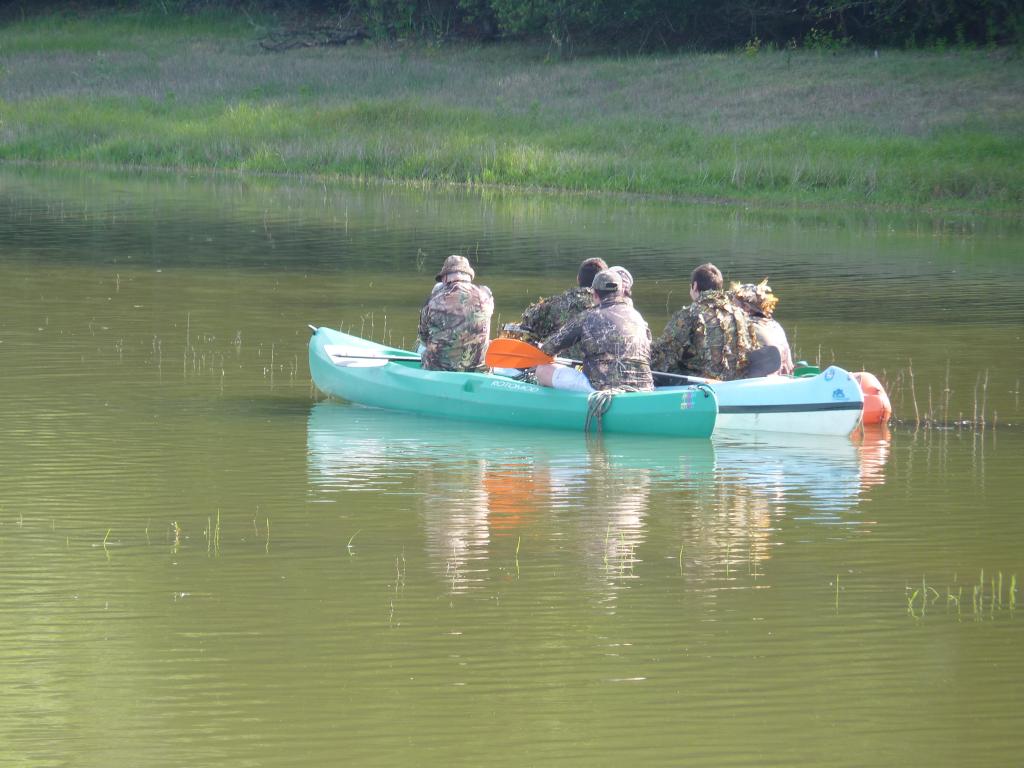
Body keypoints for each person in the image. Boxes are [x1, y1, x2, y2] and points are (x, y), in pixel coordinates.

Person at [537, 269, 654, 392]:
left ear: (595, 294)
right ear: (621, 292)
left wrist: (546, 354)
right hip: (645, 387)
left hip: (602, 389)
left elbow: (548, 348)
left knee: (542, 370)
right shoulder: (638, 317)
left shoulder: (587, 316)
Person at [651, 262, 755, 381]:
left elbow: (664, 351)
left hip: (704, 382)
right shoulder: (740, 314)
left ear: (694, 286)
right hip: (736, 378)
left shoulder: (689, 314)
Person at [418, 254, 494, 372]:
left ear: (445, 278)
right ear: (469, 276)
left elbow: (423, 338)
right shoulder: (486, 297)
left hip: (438, 370)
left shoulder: (433, 300)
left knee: (422, 348)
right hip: (478, 370)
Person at [517, 257, 608, 344]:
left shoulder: (557, 303)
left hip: (561, 359)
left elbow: (528, 319)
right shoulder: (614, 308)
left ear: (578, 279)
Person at [730, 280, 794, 375]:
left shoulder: (747, 327)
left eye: (734, 304)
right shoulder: (775, 325)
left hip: (765, 384)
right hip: (785, 378)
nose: (731, 308)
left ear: (746, 307)